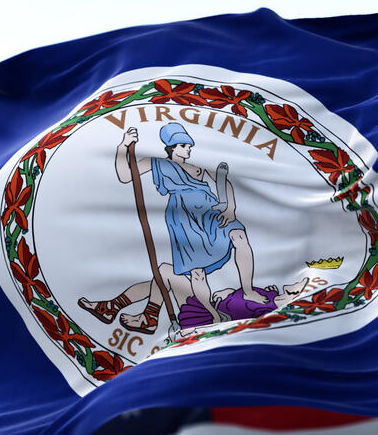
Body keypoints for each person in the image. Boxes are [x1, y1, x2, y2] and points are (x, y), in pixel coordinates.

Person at [78, 123, 263, 334]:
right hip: (184, 218)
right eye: (184, 145)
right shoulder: (156, 163)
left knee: (239, 235)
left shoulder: (198, 164)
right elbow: (125, 175)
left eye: (189, 145)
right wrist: (123, 146)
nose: (189, 149)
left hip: (211, 212)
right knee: (195, 273)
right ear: (172, 146)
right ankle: (208, 315)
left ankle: (247, 290)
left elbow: (223, 182)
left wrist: (230, 207)